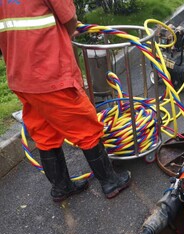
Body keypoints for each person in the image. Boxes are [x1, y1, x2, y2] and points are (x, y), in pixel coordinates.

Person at [0, 0, 130, 202]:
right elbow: (69, 19)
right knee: (86, 127)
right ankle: (111, 182)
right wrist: (66, 32)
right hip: (50, 75)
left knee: (44, 132)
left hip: (21, 77)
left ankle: (61, 187)